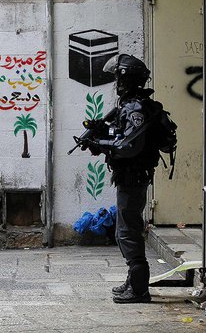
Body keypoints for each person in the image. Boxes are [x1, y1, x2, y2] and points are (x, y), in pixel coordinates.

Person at [80, 54, 170, 304]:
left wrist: (99, 143)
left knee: (127, 231)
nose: (115, 83)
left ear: (125, 79)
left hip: (133, 176)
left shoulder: (134, 107)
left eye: (117, 78)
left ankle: (139, 288)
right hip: (133, 175)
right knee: (126, 228)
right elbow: (123, 135)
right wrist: (103, 132)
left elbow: (129, 145)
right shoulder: (134, 104)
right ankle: (134, 280)